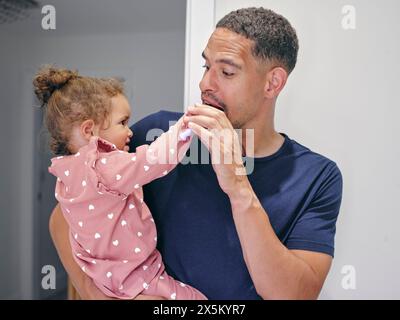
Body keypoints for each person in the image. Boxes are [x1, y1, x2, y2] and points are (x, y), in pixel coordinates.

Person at [49, 7, 343, 300]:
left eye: (227, 72)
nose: (205, 85)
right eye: (206, 67)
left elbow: (296, 294)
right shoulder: (156, 135)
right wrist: (92, 292)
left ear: (272, 83)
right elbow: (68, 213)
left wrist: (239, 187)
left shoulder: (317, 177)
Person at [35, 66, 206, 300]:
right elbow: (155, 159)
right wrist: (187, 124)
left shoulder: (67, 176)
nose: (129, 132)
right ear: (89, 130)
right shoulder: (104, 167)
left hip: (107, 281)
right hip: (138, 277)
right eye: (123, 122)